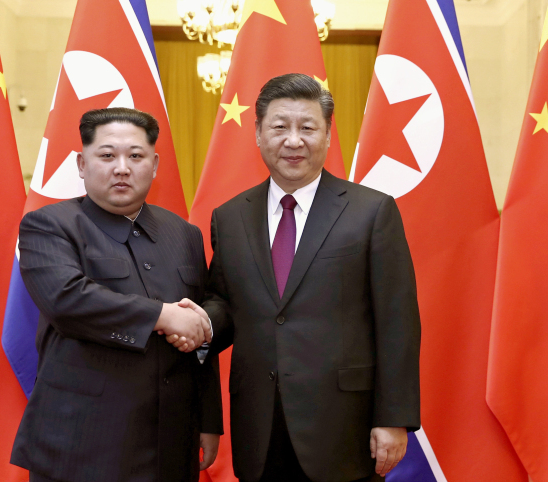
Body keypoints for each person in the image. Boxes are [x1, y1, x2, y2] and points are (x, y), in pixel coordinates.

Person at [176, 73, 421, 482]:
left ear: (327, 135)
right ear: (257, 134)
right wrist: (197, 323)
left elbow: (397, 321)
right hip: (259, 421)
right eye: (279, 127)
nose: (294, 140)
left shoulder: (371, 212)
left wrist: (394, 418)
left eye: (307, 128)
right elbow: (225, 301)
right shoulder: (231, 216)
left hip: (345, 424)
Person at [10, 107, 222, 482]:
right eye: (107, 155)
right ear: (81, 163)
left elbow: (199, 321)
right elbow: (67, 300)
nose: (122, 167)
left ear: (155, 165)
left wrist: (207, 419)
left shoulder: (184, 233)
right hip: (81, 441)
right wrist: (163, 316)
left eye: (135, 156)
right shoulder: (49, 225)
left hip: (171, 440)